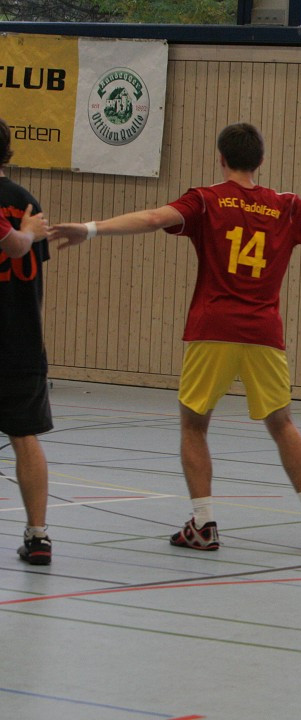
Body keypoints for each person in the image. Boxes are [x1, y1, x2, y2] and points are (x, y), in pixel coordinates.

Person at [50, 122, 301, 551]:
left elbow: (153, 218)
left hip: (213, 327)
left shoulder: (206, 200)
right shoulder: (284, 206)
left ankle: (204, 524)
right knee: (282, 422)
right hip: (263, 331)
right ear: (261, 161)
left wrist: (89, 229)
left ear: (221, 158)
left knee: (194, 424)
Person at [0, 118, 53, 565]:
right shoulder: (27, 202)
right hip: (22, 339)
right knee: (25, 436)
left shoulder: (25, 217)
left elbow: (20, 247)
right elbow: (34, 266)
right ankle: (38, 536)